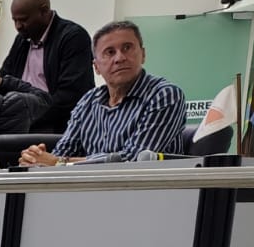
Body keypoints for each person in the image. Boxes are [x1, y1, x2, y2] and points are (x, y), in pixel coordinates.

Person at [20, 21, 186, 166]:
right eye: (110, 52)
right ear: (97, 67)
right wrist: (37, 159)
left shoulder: (165, 95)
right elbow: (62, 153)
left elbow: (133, 161)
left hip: (148, 194)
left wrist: (58, 163)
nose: (120, 58)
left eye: (127, 48)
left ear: (143, 54)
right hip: (88, 192)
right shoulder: (88, 102)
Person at [0, 0, 94, 132]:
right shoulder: (23, 40)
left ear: (44, 11)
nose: (18, 26)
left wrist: (23, 112)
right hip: (19, 122)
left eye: (24, 20)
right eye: (15, 20)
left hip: (56, 127)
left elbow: (70, 97)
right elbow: (4, 78)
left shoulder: (73, 38)